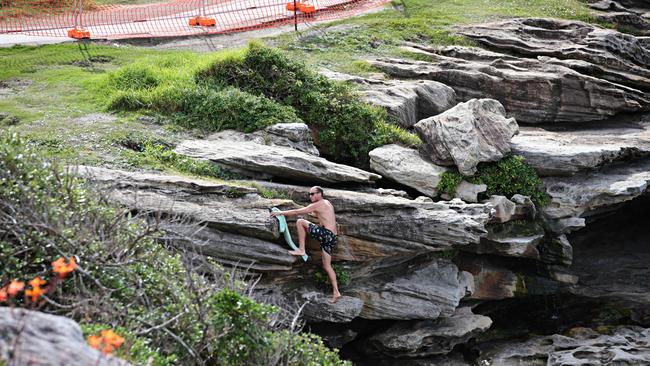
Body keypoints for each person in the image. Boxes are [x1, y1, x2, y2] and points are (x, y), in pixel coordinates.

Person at [270, 186, 341, 303]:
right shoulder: (327, 203)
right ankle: (336, 292)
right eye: (309, 194)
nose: (310, 196)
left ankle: (302, 249)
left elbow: (298, 212)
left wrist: (281, 212)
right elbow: (320, 215)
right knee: (327, 266)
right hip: (332, 238)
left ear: (319, 194)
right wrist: (312, 213)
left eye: (312, 194)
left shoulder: (318, 204)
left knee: (300, 222)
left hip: (326, 234)